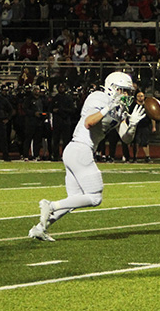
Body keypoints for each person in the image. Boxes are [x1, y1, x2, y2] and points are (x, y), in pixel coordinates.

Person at [30, 72, 146, 241]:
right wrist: (108, 108)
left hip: (78, 152)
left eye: (128, 91)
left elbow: (125, 138)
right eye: (123, 90)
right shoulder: (99, 98)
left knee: (74, 200)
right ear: (112, 88)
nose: (126, 95)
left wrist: (133, 125)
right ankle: (51, 205)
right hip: (80, 149)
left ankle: (40, 228)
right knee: (95, 197)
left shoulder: (119, 108)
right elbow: (89, 122)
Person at [131, 90, 155, 163]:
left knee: (145, 141)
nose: (140, 98)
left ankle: (147, 156)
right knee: (136, 142)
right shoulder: (133, 105)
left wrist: (154, 126)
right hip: (136, 125)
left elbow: (152, 116)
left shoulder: (147, 105)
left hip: (145, 125)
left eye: (141, 96)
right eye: (138, 96)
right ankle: (135, 157)